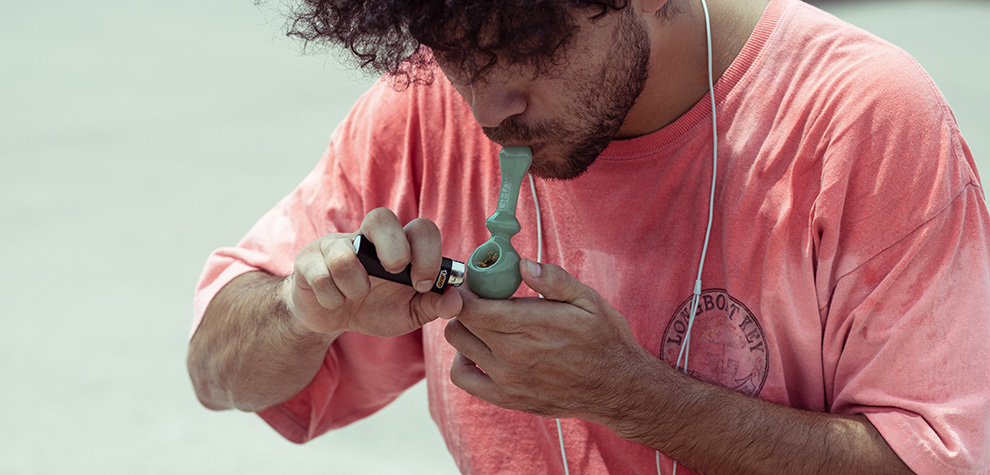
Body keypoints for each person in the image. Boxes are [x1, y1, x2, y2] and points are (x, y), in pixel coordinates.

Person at [186, 0, 990, 473]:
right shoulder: (427, 107)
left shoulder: (861, 120)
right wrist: (302, 307)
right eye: (461, 56)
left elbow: (946, 460)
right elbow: (216, 371)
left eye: (532, 51)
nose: (489, 109)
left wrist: (632, 396)